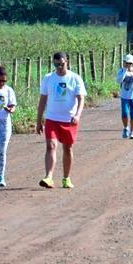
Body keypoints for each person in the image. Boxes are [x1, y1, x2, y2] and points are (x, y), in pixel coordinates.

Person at [37, 52, 86, 189]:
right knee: (50, 146)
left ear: (67, 62)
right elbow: (42, 100)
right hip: (52, 118)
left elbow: (81, 99)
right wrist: (38, 120)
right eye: (56, 64)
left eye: (61, 64)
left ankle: (66, 178)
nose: (59, 67)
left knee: (67, 148)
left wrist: (77, 115)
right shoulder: (48, 78)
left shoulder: (75, 78)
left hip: (69, 120)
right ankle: (49, 177)